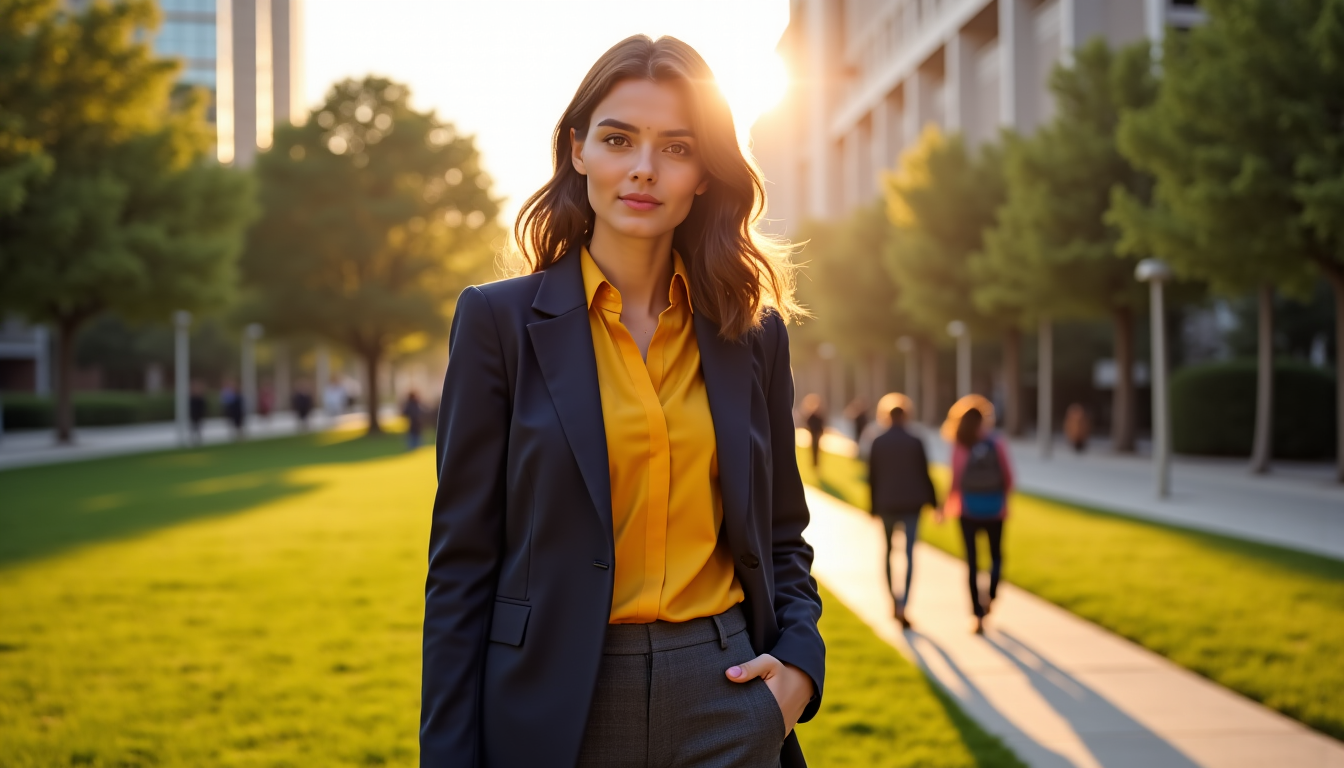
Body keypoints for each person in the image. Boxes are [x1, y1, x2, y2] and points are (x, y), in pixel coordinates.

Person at [421, 35, 823, 768]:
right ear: (578, 150)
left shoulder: (751, 332)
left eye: (676, 147)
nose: (643, 168)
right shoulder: (498, 323)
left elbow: (782, 534)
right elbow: (461, 566)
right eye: (618, 139)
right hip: (555, 705)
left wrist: (797, 669)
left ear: (705, 173)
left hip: (728, 692)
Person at [941, 397, 1014, 635]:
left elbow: (954, 481)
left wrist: (945, 508)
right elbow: (1008, 477)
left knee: (972, 563)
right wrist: (1005, 502)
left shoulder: (961, 444)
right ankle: (990, 596)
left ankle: (977, 616)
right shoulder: (996, 442)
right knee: (996, 557)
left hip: (968, 510)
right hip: (995, 509)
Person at [866, 393, 935, 629]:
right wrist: (934, 503)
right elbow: (926, 473)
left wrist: (871, 507)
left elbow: (872, 478)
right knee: (908, 555)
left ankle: (892, 602)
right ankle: (904, 603)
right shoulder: (915, 440)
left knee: (887, 552)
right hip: (911, 505)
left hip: (886, 504)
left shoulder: (878, 441)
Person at [802, 393, 826, 468]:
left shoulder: (819, 415)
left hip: (817, 434)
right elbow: (808, 423)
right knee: (813, 448)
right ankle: (814, 463)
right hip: (813, 433)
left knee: (817, 449)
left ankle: (816, 463)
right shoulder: (812, 415)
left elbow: (822, 423)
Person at [188, 380, 208, 446]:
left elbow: (203, 407)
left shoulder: (201, 398)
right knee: (193, 428)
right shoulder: (191, 398)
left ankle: (198, 440)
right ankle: (193, 440)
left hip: (199, 415)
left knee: (199, 428)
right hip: (193, 415)